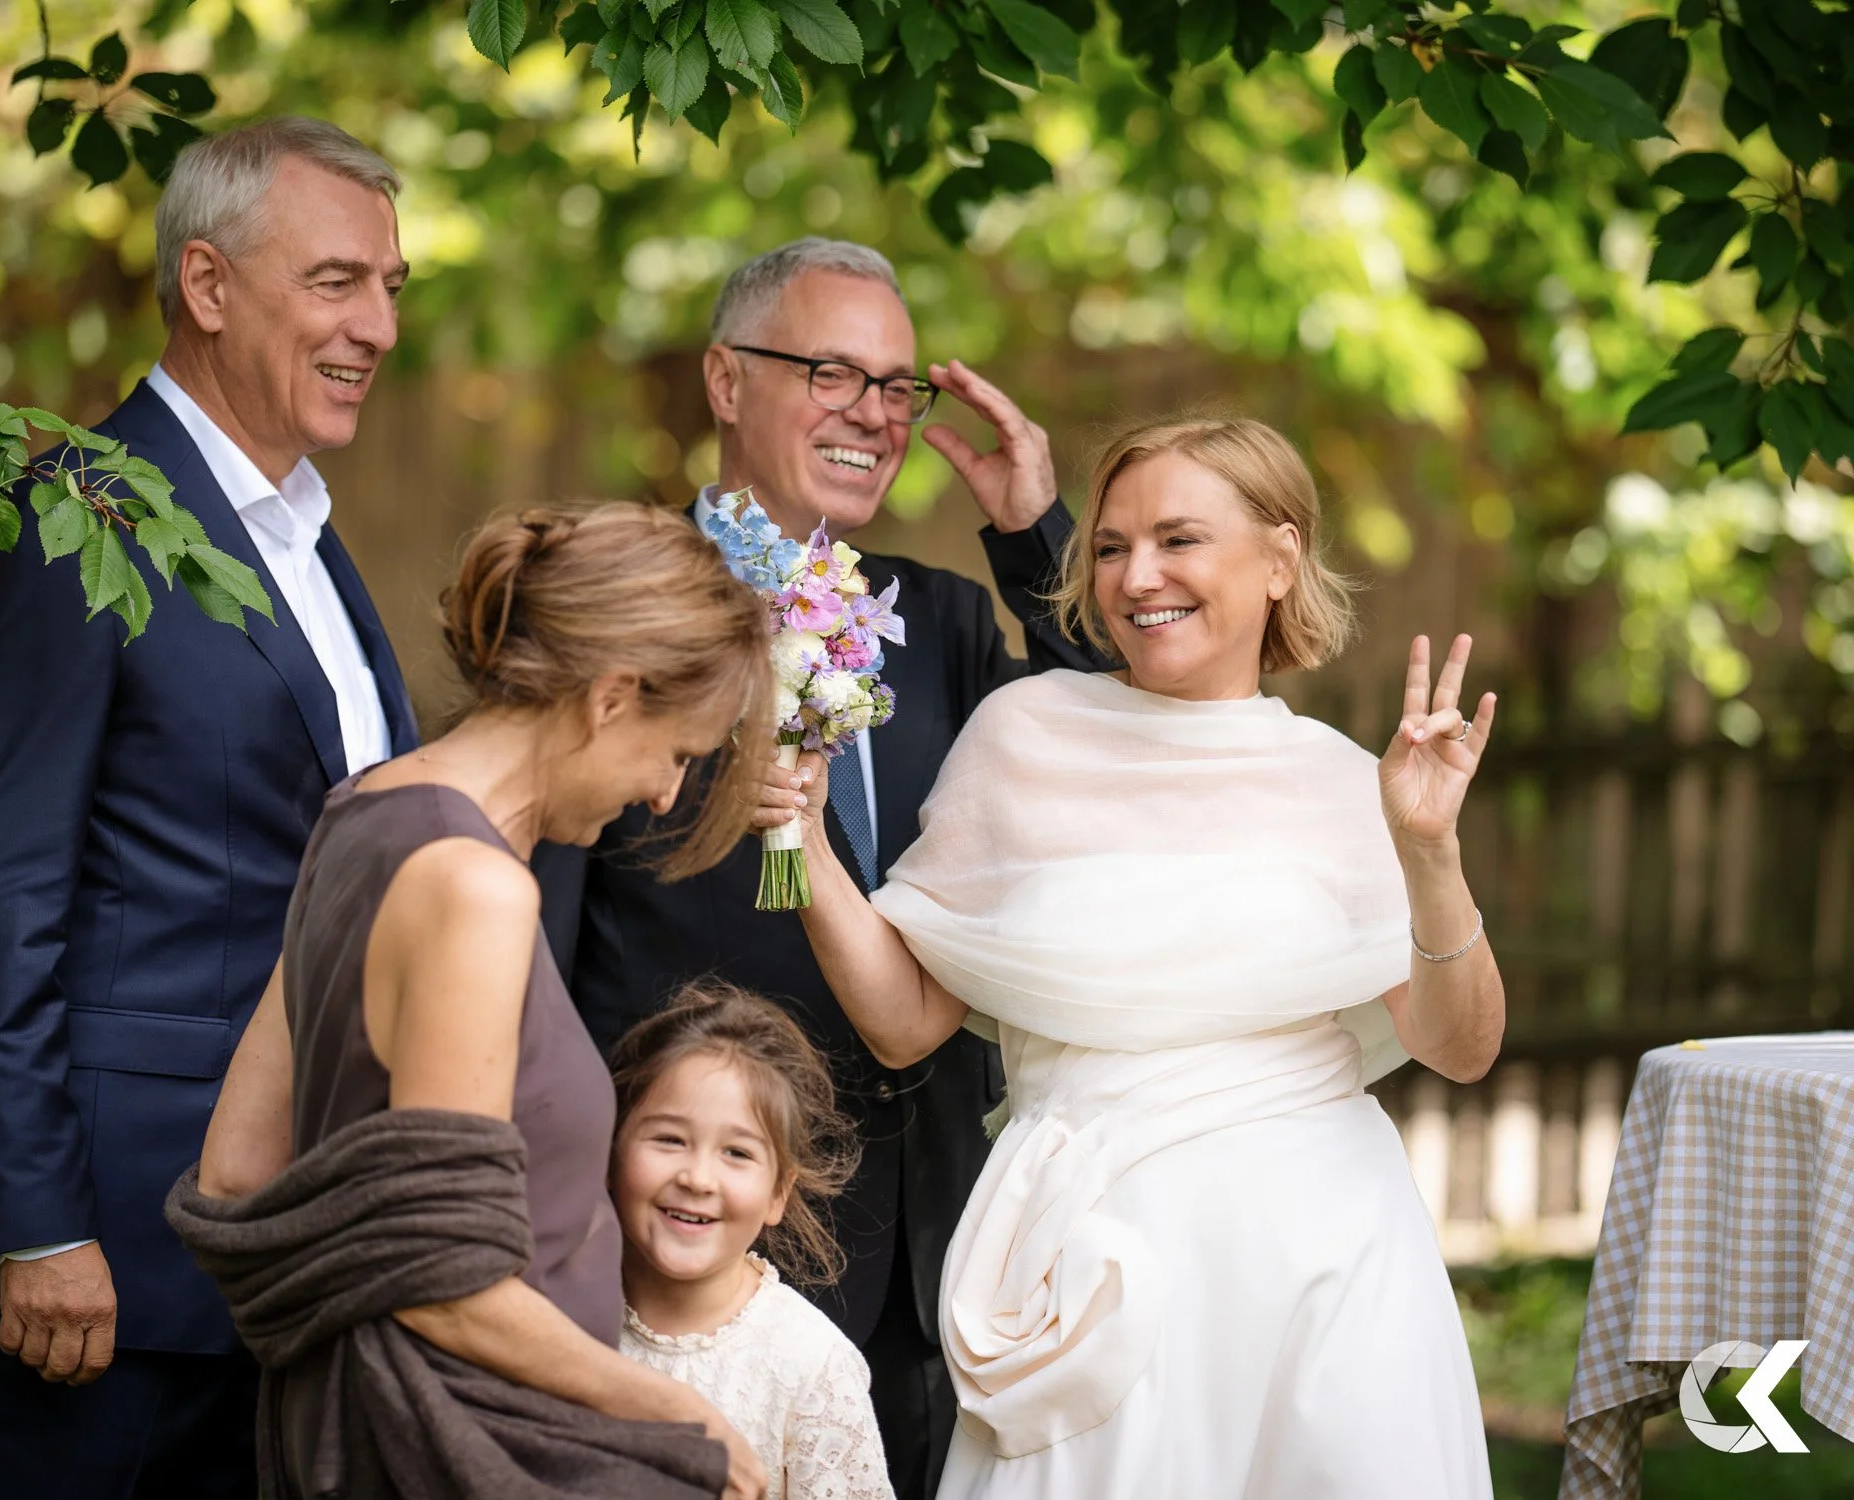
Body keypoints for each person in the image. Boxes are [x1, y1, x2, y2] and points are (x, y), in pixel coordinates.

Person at [770, 415, 1503, 1499]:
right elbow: (904, 1018)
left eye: (1177, 540)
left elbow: (1459, 1047)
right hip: (1090, 1279)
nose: (1134, 576)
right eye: (1109, 547)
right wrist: (802, 842)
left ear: (1279, 558)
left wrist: (1430, 853)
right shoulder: (1022, 735)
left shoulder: (1348, 782)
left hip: (1322, 1265)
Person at [0, 117, 419, 1499]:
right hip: (78, 1284)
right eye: (339, 281)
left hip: (264, 1271)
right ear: (209, 285)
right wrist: (39, 1227)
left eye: (395, 287)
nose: (381, 325)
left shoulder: (309, 545)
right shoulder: (64, 515)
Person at [535, 237, 1109, 1500]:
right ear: (726, 380)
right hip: (683, 1229)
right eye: (832, 372)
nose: (875, 414)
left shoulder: (946, 624)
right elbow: (540, 946)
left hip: (924, 1246)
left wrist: (1032, 532)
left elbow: (1120, 747)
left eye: (898, 387)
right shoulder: (612, 607)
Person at [187, 505, 775, 1500]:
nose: (667, 794)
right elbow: (443, 1287)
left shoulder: (359, 813)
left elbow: (238, 1172)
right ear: (610, 697)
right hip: (464, 1446)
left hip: (350, 1428)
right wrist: (677, 1412)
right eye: (677, 753)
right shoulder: (478, 889)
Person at [611, 982, 893, 1500]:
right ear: (613, 1150)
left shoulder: (810, 1366)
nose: (697, 1177)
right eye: (670, 1139)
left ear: (777, 1194)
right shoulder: (567, 1319)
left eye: (737, 1153)